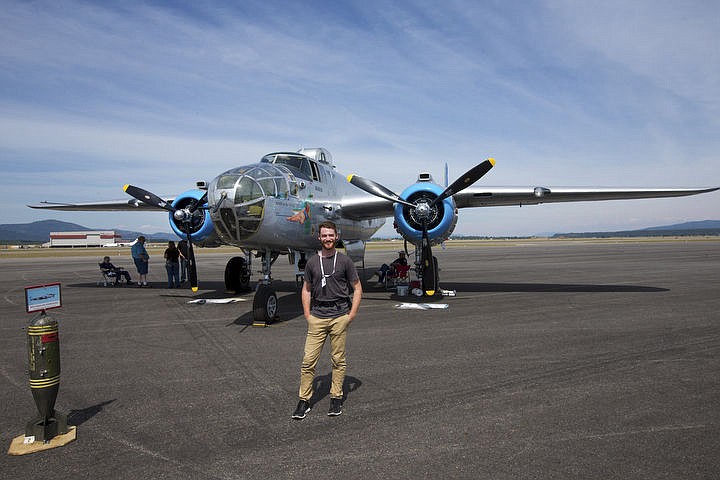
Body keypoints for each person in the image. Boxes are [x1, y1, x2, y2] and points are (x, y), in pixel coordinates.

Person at [292, 221, 362, 420]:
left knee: (338, 360)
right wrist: (307, 314)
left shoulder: (345, 261)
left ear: (336, 236)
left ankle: (336, 397)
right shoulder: (313, 262)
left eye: (331, 235)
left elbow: (357, 288)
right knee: (308, 362)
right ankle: (304, 401)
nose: (328, 239)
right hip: (317, 317)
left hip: (340, 315)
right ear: (319, 238)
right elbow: (306, 289)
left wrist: (352, 314)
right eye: (324, 236)